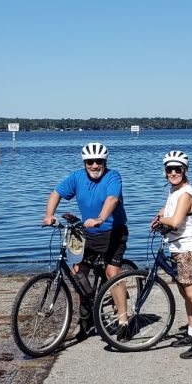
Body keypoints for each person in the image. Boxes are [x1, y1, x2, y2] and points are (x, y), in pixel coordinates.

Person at [44, 142, 129, 337]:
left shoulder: (112, 176)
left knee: (112, 272)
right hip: (88, 233)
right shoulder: (77, 177)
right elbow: (56, 193)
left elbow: (112, 199)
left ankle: (124, 321)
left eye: (98, 161)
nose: (94, 165)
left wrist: (101, 218)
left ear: (104, 162)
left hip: (113, 231)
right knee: (78, 273)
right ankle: (89, 311)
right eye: (90, 162)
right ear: (85, 163)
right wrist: (49, 214)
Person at [150, 150, 192, 359]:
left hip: (189, 250)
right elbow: (167, 209)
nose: (173, 172)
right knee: (186, 294)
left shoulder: (185, 194)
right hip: (179, 249)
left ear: (185, 171)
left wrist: (162, 221)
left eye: (178, 169)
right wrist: (158, 215)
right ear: (165, 172)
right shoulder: (175, 190)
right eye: (169, 169)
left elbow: (175, 221)